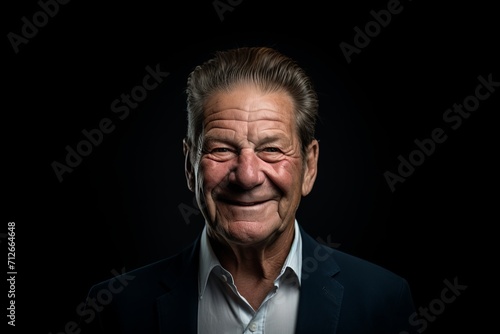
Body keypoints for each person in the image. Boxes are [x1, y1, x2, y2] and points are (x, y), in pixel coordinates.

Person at [80, 46, 418, 333]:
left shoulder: (383, 302)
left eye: (271, 149)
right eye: (222, 149)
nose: (247, 176)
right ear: (189, 165)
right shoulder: (114, 309)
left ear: (309, 166)